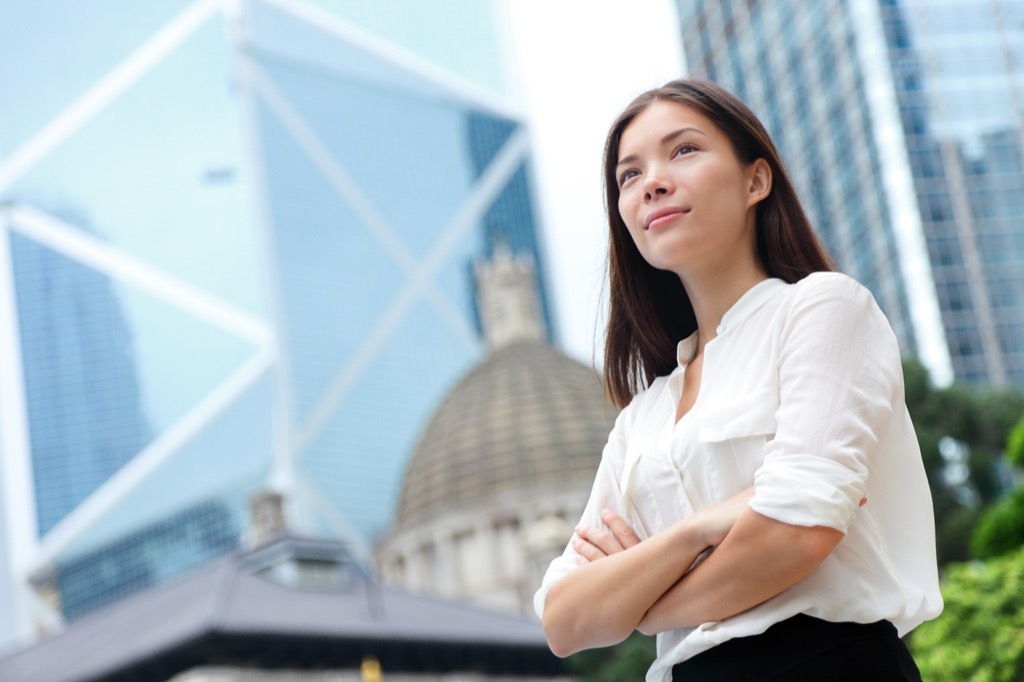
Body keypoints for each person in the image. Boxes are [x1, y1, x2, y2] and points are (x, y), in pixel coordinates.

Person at [534, 79, 943, 681]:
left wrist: (640, 604)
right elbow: (565, 620)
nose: (652, 182)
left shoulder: (823, 310)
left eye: (684, 151)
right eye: (628, 175)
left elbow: (796, 534)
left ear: (756, 180)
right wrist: (699, 530)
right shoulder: (640, 421)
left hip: (827, 664)